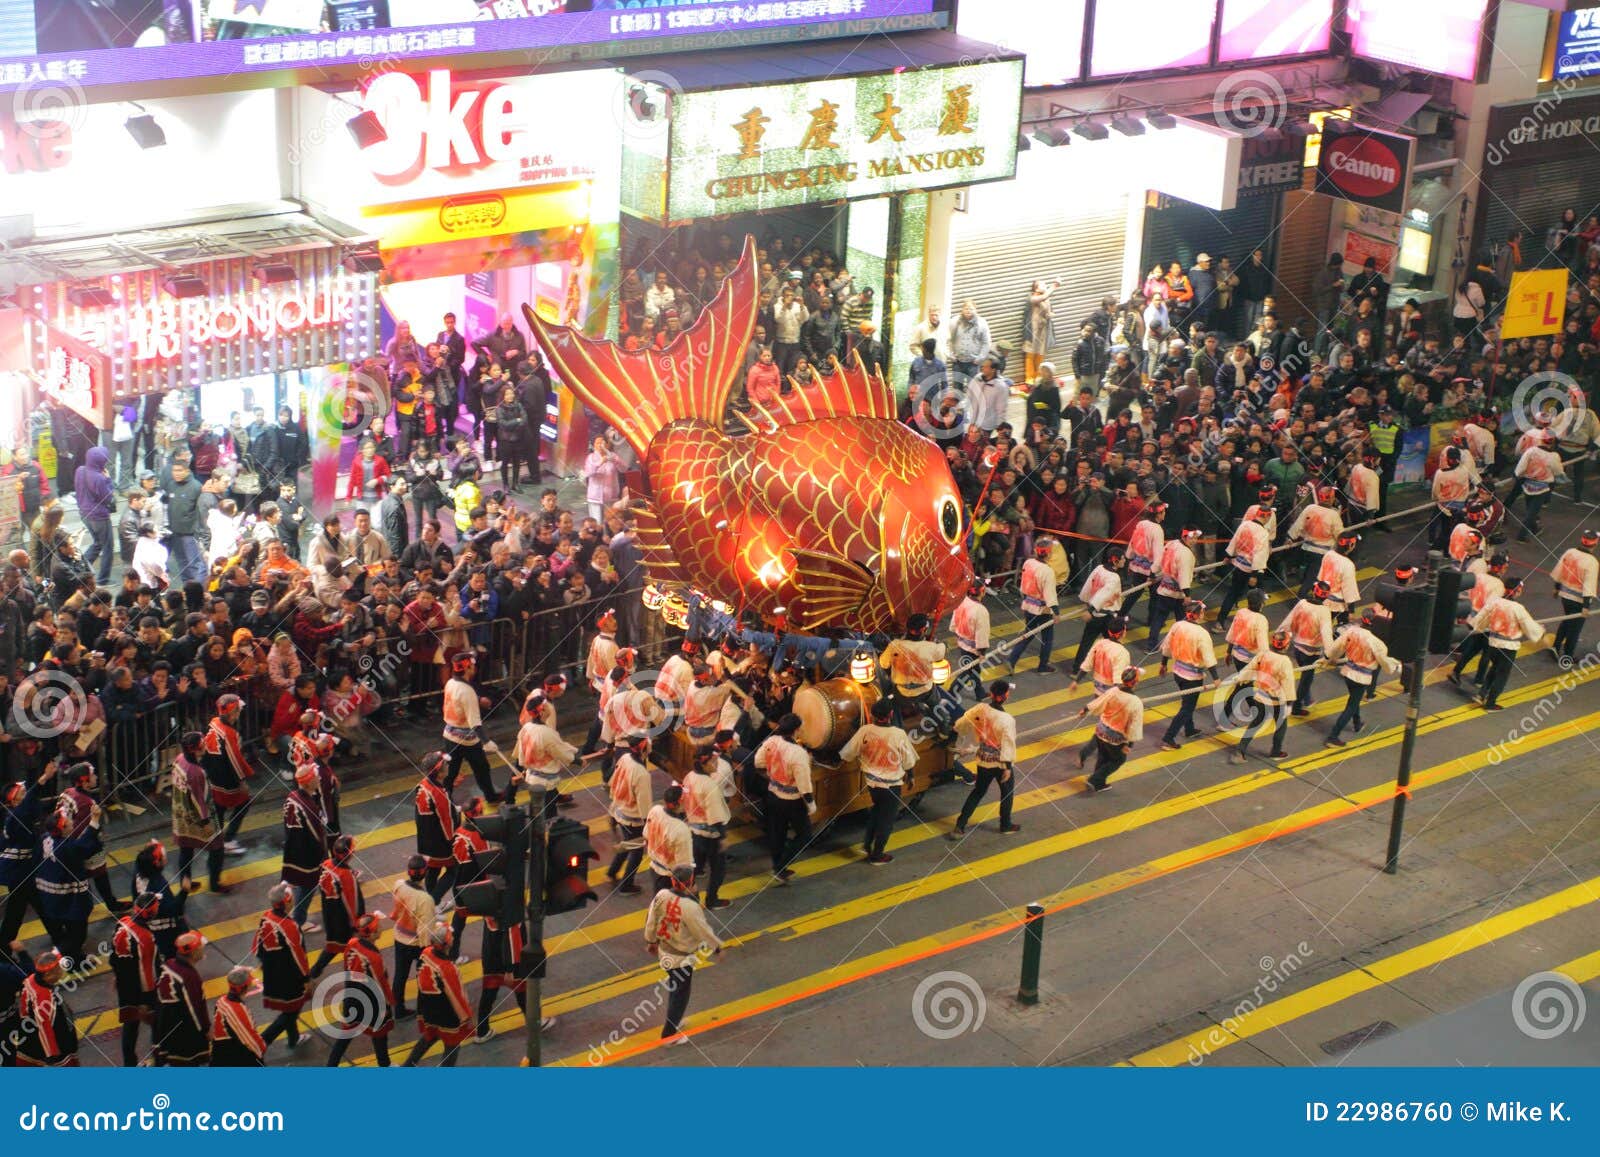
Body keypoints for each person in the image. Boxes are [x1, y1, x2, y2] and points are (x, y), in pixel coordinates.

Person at [645, 864, 723, 1044]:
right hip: (680, 958)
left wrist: (650, 941)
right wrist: (717, 947)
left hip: (664, 951)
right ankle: (669, 1035)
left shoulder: (662, 895)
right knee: (681, 994)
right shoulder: (690, 907)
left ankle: (674, 1021)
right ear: (690, 883)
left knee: (675, 987)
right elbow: (702, 932)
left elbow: (651, 919)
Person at [840, 699, 918, 863]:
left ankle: (866, 845)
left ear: (873, 715)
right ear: (890, 715)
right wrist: (910, 775)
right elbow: (909, 761)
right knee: (887, 821)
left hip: (872, 783)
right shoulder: (898, 734)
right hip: (891, 785)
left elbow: (847, 754)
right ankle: (877, 855)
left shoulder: (865, 731)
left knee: (876, 812)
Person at [949, 680, 1020, 836]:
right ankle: (1005, 824)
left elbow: (962, 723)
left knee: (978, 792)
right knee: (1006, 794)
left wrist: (953, 732)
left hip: (983, 761)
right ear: (1004, 696)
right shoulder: (1007, 720)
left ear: (991, 694)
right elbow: (1008, 744)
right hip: (1000, 763)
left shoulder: (980, 709)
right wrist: (1007, 767)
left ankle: (960, 825)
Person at [1323, 607, 1402, 746]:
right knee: (1352, 705)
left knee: (1354, 698)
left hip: (1347, 672)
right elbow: (1385, 662)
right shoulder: (1377, 643)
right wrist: (1396, 666)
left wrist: (1328, 658)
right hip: (1362, 677)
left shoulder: (1351, 631)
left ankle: (1357, 723)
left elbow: (1337, 647)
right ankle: (1333, 736)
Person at [1469, 576, 1549, 710]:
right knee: (1502, 675)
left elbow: (1482, 620)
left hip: (1493, 643)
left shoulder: (1495, 602)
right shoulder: (1518, 608)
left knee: (1493, 669)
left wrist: (1477, 626)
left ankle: (1482, 694)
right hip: (1508, 647)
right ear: (1517, 591)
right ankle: (1490, 703)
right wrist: (1541, 631)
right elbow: (1528, 626)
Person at [327, 913, 394, 1067]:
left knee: (345, 1035)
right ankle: (384, 1064)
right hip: (371, 1002)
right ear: (374, 932)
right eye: (379, 926)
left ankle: (331, 1065)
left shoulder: (352, 943)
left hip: (351, 996)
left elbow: (346, 967)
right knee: (380, 1034)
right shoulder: (373, 957)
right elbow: (380, 984)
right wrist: (388, 1004)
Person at [755, 713, 815, 884]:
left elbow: (758, 762)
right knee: (804, 835)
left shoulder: (771, 742)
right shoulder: (799, 753)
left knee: (778, 833)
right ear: (796, 730)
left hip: (773, 794)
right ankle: (781, 866)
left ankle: (777, 866)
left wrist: (772, 776)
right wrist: (811, 804)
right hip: (792, 800)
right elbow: (804, 785)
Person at [404, 924, 473, 1067]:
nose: (453, 937)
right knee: (452, 1044)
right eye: (451, 935)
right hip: (445, 1012)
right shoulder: (447, 968)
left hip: (427, 1008)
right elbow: (456, 995)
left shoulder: (426, 953)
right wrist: (466, 1017)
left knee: (429, 1036)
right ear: (447, 944)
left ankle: (408, 1065)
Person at [254, 882, 312, 1050]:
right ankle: (262, 1042)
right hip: (289, 975)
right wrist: (306, 978)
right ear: (287, 902)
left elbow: (258, 946)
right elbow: (299, 955)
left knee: (289, 1008)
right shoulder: (290, 926)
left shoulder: (266, 917)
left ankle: (293, 1038)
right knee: (291, 1011)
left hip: (272, 973)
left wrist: (265, 964)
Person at [200, 694, 256, 856]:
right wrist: (242, 780)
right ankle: (228, 839)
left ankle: (216, 838)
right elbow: (235, 760)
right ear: (233, 713)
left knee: (219, 808)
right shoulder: (228, 733)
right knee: (243, 803)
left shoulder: (214, 723)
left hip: (213, 776)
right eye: (238, 711)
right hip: (227, 778)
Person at [1158, 599, 1217, 750]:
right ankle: (1168, 738)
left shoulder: (1177, 625)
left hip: (1177, 672)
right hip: (1192, 677)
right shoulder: (1202, 634)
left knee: (1186, 703)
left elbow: (1166, 646)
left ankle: (1189, 729)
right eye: (1202, 611)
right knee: (1187, 708)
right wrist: (1216, 678)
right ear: (1197, 615)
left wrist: (1163, 664)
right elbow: (1208, 658)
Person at [110, 892, 161, 1066]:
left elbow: (114, 958)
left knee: (130, 1026)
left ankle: (129, 1065)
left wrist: (117, 977)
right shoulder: (146, 938)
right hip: (141, 990)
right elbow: (146, 972)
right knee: (157, 1023)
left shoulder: (122, 924)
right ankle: (159, 1058)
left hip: (124, 987)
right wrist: (146, 1000)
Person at [443, 651, 502, 801]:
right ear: (468, 668)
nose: (475, 668)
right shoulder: (467, 691)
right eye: (473, 666)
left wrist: (478, 699)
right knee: (481, 768)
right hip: (468, 739)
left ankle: (444, 800)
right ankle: (491, 796)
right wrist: (487, 742)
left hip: (450, 735)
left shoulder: (451, 683)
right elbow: (475, 723)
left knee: (450, 773)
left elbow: (460, 699)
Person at [1232, 630, 1297, 763]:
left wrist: (1239, 678)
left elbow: (1250, 668)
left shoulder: (1263, 654)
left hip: (1261, 696)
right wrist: (1289, 704)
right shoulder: (1285, 661)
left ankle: (1241, 750)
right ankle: (1276, 751)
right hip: (1277, 700)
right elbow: (1288, 683)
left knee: (1255, 724)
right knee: (1281, 726)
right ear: (1286, 645)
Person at [1075, 666, 1143, 792]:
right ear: (1135, 682)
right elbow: (1135, 725)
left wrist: (1085, 709)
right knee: (1118, 760)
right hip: (1116, 737)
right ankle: (1094, 779)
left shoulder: (1113, 691)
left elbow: (1099, 702)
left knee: (1103, 756)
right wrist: (1130, 744)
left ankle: (1098, 784)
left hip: (1101, 731)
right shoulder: (1136, 702)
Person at [683, 747, 732, 908]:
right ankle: (711, 899)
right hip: (711, 835)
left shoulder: (689, 777)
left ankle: (688, 894)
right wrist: (723, 837)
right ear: (705, 764)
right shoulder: (710, 786)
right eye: (714, 761)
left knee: (696, 867)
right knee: (718, 869)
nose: (717, 764)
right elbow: (716, 816)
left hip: (694, 832)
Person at [280, 763, 328, 930]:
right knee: (308, 885)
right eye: (316, 777)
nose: (319, 778)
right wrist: (323, 856)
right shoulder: (308, 807)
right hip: (307, 855)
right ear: (308, 783)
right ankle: (299, 921)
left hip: (294, 850)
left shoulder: (292, 796)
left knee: (302, 883)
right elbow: (317, 836)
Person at [605, 734, 654, 894]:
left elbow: (613, 779)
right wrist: (649, 825)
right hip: (632, 817)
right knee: (637, 850)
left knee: (628, 843)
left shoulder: (625, 758)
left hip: (619, 809)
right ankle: (626, 885)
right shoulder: (641, 774)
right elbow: (644, 803)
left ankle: (613, 871)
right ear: (643, 748)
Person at [154, 930, 211, 1066]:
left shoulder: (170, 964)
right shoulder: (189, 977)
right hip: (183, 1034)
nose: (203, 950)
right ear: (194, 952)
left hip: (165, 1027)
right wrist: (205, 1030)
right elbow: (194, 1009)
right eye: (201, 947)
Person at [14, 950, 78, 1067]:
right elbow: (44, 1028)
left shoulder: (32, 979)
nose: (62, 971)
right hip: (54, 1045)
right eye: (59, 969)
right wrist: (52, 1055)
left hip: (28, 1035)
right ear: (48, 975)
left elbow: (24, 1007)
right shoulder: (44, 999)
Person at [391, 854, 436, 1018]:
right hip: (416, 944)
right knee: (422, 977)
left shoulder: (399, 885)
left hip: (399, 937)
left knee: (400, 976)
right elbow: (425, 930)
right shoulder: (425, 899)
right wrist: (427, 949)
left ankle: (399, 1009)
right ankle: (422, 1011)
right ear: (425, 872)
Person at [1008, 538, 1059, 673]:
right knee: (1047, 639)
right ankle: (1043, 666)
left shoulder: (1028, 563)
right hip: (1043, 609)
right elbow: (1050, 595)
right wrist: (1056, 612)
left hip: (1028, 604)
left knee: (1029, 633)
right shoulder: (1047, 571)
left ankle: (1012, 659)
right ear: (1048, 554)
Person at [414, 750, 458, 903]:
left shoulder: (423, 785)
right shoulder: (439, 793)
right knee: (453, 871)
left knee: (432, 871)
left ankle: (432, 901)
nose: (448, 766)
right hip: (440, 842)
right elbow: (447, 822)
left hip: (425, 840)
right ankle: (433, 901)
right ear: (439, 772)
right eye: (445, 765)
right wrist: (453, 841)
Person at [1553, 530, 1599, 664]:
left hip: (1565, 595)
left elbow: (1560, 570)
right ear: (1595, 544)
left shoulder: (1570, 552)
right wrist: (1586, 606)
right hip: (1578, 600)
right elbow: (1589, 586)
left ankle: (1555, 646)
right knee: (1575, 629)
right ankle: (1568, 655)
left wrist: (1556, 588)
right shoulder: (1592, 562)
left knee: (1566, 621)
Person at [210, 966, 268, 1067]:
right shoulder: (238, 1010)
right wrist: (261, 1049)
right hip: (234, 1057)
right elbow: (250, 1040)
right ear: (247, 986)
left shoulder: (222, 1001)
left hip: (219, 1053)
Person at [74, 446, 116, 584]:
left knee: (97, 543)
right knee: (108, 547)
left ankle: (80, 569)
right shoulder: (100, 478)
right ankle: (103, 580)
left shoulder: (80, 470)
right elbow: (109, 498)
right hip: (99, 517)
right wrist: (109, 480)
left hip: (84, 514)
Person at [645, 784, 695, 894]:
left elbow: (646, 836)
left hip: (655, 868)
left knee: (658, 903)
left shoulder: (655, 811)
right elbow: (684, 866)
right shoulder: (681, 829)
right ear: (678, 804)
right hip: (670, 877)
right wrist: (687, 886)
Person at [949, 580, 991, 702]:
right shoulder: (981, 610)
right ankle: (952, 691)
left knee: (973, 670)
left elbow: (953, 625)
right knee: (970, 671)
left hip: (962, 642)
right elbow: (981, 634)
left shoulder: (961, 601)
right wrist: (982, 651)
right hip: (973, 647)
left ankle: (980, 693)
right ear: (982, 591)